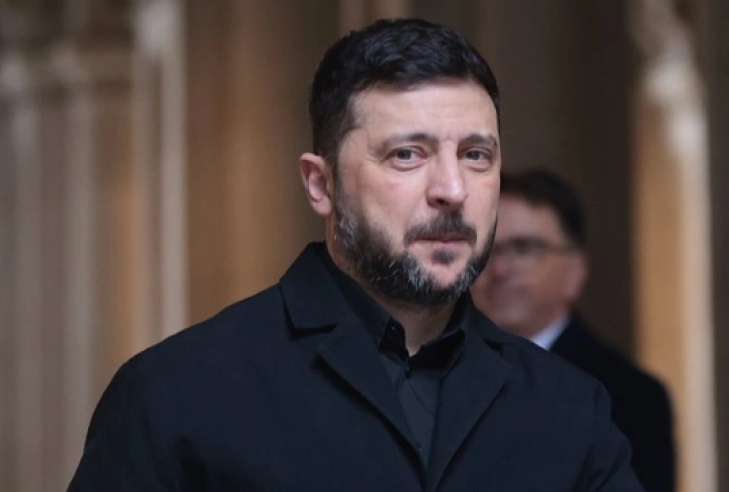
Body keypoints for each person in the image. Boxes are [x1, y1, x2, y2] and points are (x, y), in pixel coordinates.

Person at [68, 19, 645, 492]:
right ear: (321, 185)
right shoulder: (177, 395)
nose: (452, 189)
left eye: (475, 155)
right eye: (407, 155)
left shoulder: (570, 410)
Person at [471, 168, 675, 492]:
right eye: (485, 250)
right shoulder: (431, 374)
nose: (500, 269)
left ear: (574, 272)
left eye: (524, 249)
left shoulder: (629, 396)